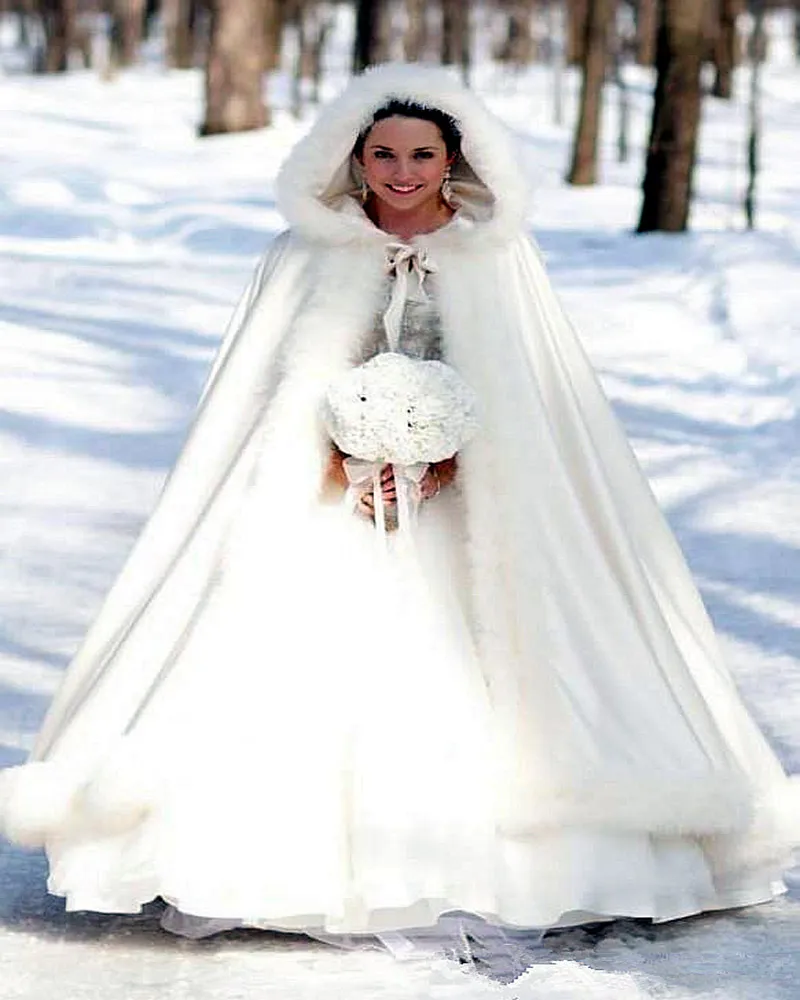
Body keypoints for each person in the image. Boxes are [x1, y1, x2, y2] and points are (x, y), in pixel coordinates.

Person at [0, 64, 796, 947]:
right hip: (326, 500)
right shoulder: (308, 251)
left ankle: (527, 847)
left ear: (456, 157)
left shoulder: (495, 254)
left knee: (502, 661)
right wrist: (338, 460)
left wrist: (452, 460)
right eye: (384, 153)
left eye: (423, 153)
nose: (403, 171)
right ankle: (268, 853)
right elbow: (264, 390)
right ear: (356, 156)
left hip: (469, 507)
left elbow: (531, 393)